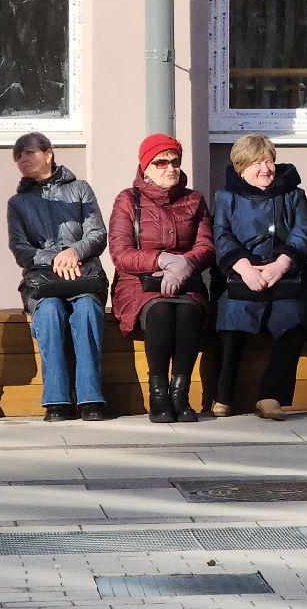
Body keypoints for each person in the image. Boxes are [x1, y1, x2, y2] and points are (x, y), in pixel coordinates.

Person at [108, 133, 215, 423]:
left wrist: (184, 263)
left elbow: (206, 245)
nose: (170, 168)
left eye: (175, 161)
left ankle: (180, 393)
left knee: (189, 311)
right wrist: (160, 259)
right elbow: (120, 252)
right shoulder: (128, 200)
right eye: (161, 162)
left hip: (185, 281)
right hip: (138, 283)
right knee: (161, 310)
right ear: (145, 167)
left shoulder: (194, 200)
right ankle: (158, 394)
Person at [211, 133, 307, 422]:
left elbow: (305, 233)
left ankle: (272, 396)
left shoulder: (293, 195)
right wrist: (243, 267)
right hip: (241, 277)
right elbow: (221, 236)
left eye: (269, 161)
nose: (265, 169)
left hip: (285, 277)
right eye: (256, 163)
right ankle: (222, 395)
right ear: (240, 168)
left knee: (294, 318)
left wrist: (282, 263)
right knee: (231, 318)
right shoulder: (226, 197)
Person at [6, 132, 109, 422]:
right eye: (19, 157)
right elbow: (20, 248)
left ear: (48, 154)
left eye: (29, 153)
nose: (23, 160)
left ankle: (91, 399)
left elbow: (97, 234)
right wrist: (55, 258)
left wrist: (74, 252)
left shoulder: (80, 189)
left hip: (83, 277)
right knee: (50, 313)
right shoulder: (18, 203)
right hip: (43, 282)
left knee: (87, 310)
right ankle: (57, 401)